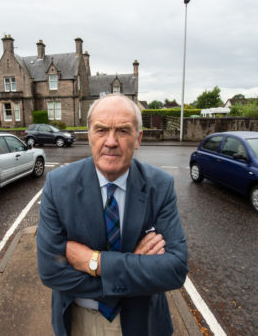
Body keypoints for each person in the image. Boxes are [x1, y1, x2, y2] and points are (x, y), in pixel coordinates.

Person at [37, 94, 188, 336]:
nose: (111, 141)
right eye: (101, 130)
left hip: (143, 322)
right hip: (79, 322)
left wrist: (93, 262)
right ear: (89, 135)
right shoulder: (58, 184)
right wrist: (137, 263)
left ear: (138, 139)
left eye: (123, 131)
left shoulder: (160, 186)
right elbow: (51, 271)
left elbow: (175, 269)